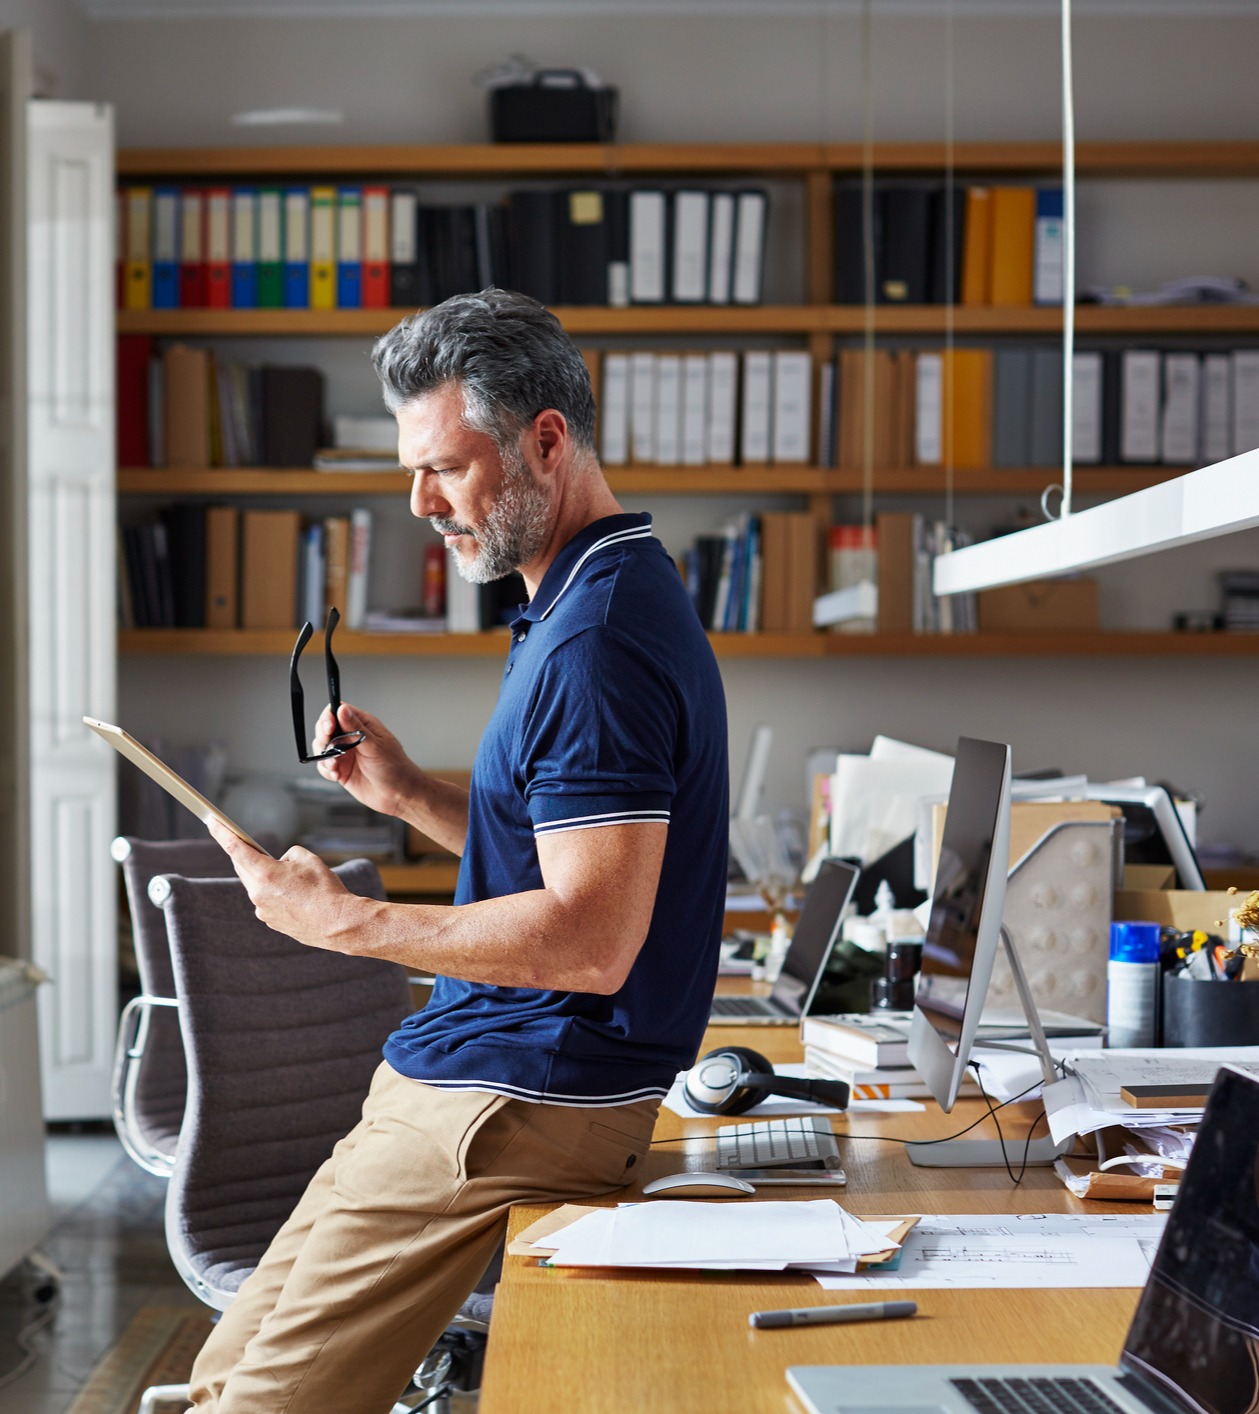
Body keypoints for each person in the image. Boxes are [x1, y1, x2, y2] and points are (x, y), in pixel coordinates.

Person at [193, 288, 730, 1414]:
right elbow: (559, 855)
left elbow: (588, 940)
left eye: (443, 466)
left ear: (545, 439)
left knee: (261, 1405)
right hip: (469, 1070)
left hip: (519, 1091)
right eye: (409, 468)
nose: (418, 502)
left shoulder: (595, 642)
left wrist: (343, 921)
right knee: (220, 1375)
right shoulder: (576, 594)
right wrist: (410, 797)